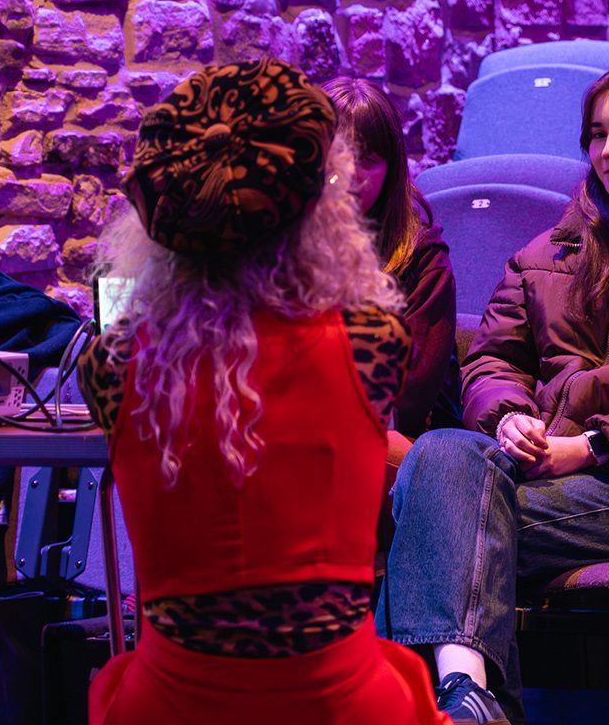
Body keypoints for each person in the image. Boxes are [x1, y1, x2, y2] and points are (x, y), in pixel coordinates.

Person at [378, 61, 609, 725]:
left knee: (440, 520)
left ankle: (436, 701)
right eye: (597, 134)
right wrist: (510, 419)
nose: (608, 150)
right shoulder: (543, 254)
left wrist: (591, 446)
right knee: (441, 452)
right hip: (534, 470)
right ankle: (471, 697)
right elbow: (493, 360)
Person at [78, 58, 446, 725]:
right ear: (316, 206)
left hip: (168, 704)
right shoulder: (373, 339)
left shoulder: (112, 360)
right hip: (341, 703)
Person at [323, 76, 460, 447]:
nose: (350, 174)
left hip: (401, 442)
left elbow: (404, 403)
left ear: (391, 170)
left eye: (367, 160)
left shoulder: (422, 257)